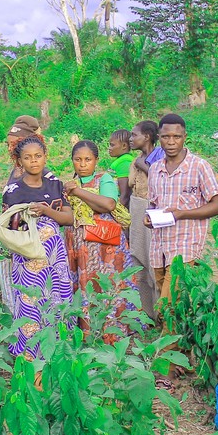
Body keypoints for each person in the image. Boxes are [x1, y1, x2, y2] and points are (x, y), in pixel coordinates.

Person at [1, 136, 74, 359]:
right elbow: (7, 227)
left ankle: (57, 353)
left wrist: (46, 211)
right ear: (19, 161)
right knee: (30, 303)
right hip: (28, 257)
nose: (34, 161)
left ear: (45, 157)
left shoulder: (55, 184)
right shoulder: (13, 191)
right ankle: (29, 356)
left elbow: (68, 218)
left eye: (38, 156)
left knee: (57, 299)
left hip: (55, 256)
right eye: (27, 158)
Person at [144, 114, 218, 307]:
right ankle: (179, 333)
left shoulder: (199, 166)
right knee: (169, 299)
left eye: (176, 137)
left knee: (170, 301)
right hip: (159, 245)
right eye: (165, 137)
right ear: (159, 137)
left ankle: (169, 337)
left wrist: (182, 213)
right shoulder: (155, 169)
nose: (171, 142)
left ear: (184, 137)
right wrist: (149, 216)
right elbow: (154, 204)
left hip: (185, 244)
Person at [64, 140, 137, 339]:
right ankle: (88, 333)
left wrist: (77, 192)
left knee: (106, 283)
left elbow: (109, 204)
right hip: (81, 245)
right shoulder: (70, 183)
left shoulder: (102, 179)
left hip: (104, 245)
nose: (82, 164)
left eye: (88, 159)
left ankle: (112, 333)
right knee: (84, 285)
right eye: (77, 160)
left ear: (96, 160)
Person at [128, 120, 164, 319]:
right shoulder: (138, 158)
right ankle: (147, 312)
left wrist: (143, 165)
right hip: (137, 209)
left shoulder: (159, 156)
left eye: (135, 135)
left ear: (147, 137)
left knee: (154, 261)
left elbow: (162, 179)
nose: (131, 139)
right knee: (138, 258)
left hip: (153, 210)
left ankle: (160, 311)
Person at [4, 115, 45, 185]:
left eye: (13, 144)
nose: (9, 149)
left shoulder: (42, 176)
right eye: (8, 144)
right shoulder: (17, 170)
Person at [107, 129, 135, 206]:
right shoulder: (120, 160)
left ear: (124, 146)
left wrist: (120, 212)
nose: (109, 148)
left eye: (112, 145)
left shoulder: (124, 162)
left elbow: (125, 194)